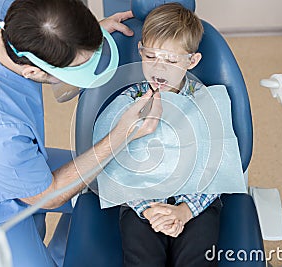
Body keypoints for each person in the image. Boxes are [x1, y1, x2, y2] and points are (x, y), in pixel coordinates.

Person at [0, 0, 161, 266]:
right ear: (33, 71)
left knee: (107, 178)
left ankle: (64, 253)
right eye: (78, 68)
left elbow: (52, 23)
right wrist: (121, 135)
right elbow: (49, 195)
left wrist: (81, 38)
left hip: (11, 159)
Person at [94, 3, 222, 267]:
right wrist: (149, 210)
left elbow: (220, 165)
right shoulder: (128, 102)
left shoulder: (208, 102)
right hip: (141, 204)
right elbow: (115, 165)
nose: (159, 69)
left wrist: (185, 212)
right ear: (140, 50)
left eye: (171, 61)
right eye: (150, 57)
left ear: (192, 60)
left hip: (197, 204)